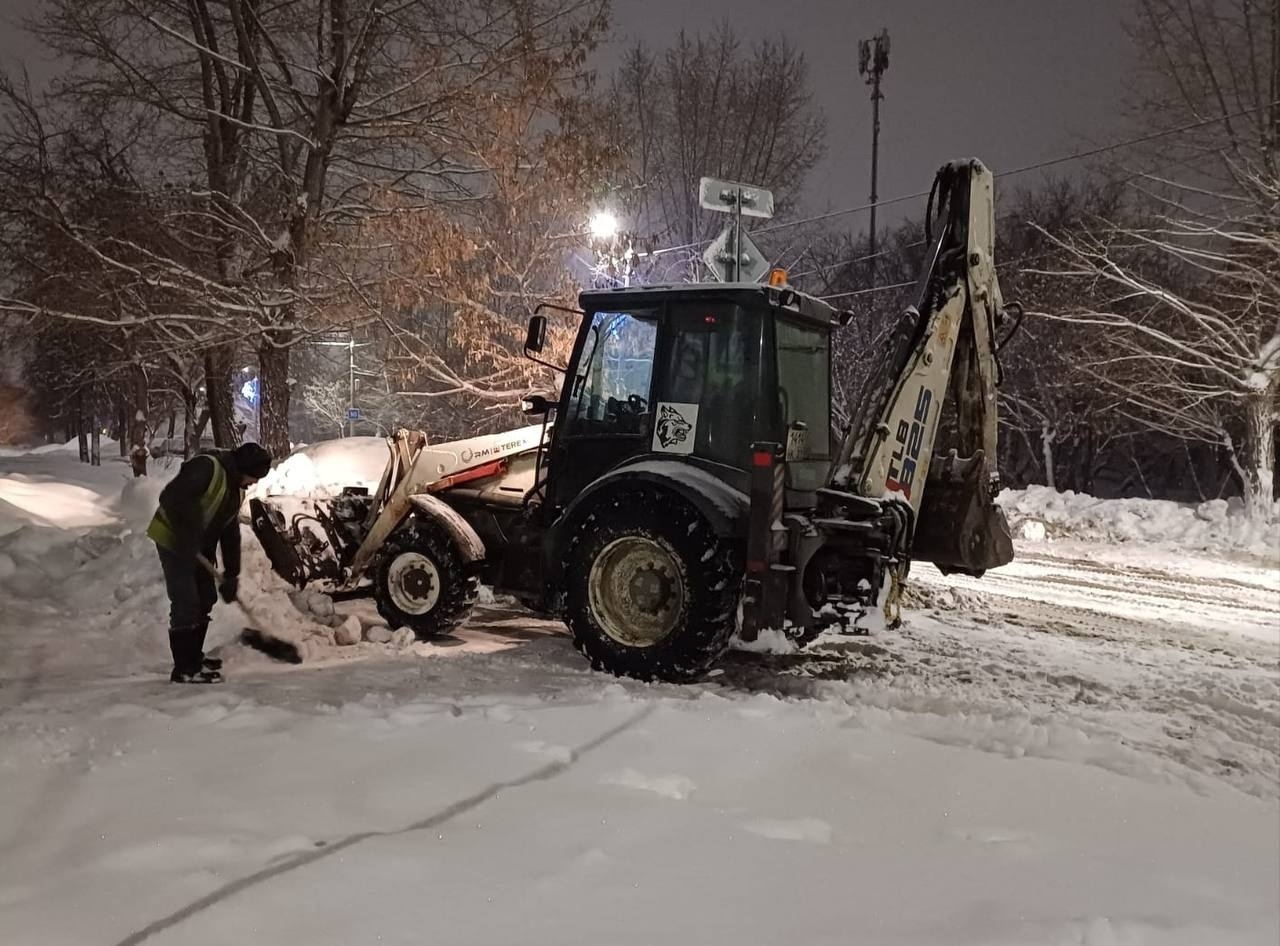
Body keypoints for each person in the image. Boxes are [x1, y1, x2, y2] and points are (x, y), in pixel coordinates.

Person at [147, 442, 272, 683]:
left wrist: (232, 574)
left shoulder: (234, 490)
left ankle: (194, 657)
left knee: (206, 596)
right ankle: (185, 668)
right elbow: (171, 497)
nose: (253, 483)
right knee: (186, 601)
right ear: (244, 468)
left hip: (197, 545)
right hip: (173, 539)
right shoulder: (206, 467)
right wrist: (188, 534)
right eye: (253, 477)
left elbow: (229, 532)